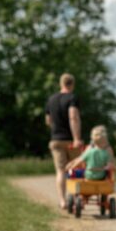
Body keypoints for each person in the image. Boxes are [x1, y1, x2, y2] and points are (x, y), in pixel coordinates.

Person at [45, 73, 83, 209]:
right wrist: (76, 138)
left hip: (56, 140)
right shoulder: (72, 98)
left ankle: (62, 201)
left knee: (60, 171)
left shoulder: (51, 99)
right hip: (70, 141)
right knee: (76, 169)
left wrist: (56, 130)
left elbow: (48, 120)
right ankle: (76, 198)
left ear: (61, 84)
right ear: (72, 84)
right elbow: (73, 117)